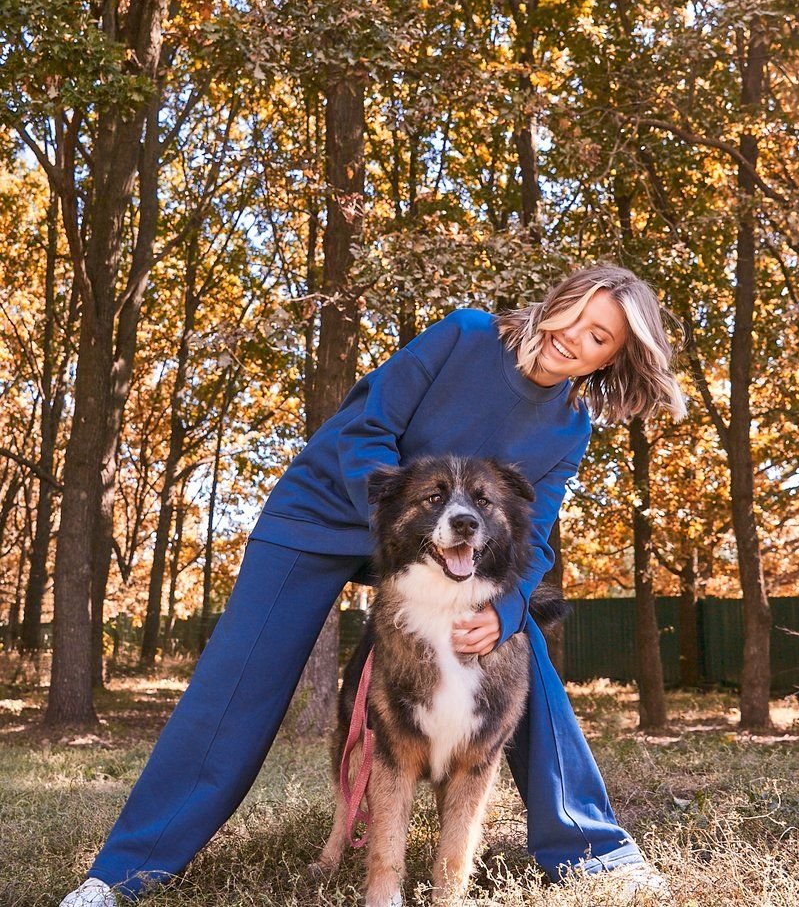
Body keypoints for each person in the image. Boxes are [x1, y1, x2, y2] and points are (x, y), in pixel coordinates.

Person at [60, 262, 685, 906]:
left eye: (599, 336)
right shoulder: (467, 336)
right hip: (327, 514)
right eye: (575, 312)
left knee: (517, 658)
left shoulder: (569, 426)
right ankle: (121, 873)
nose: (574, 336)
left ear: (613, 359)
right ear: (555, 302)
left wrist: (510, 610)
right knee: (239, 681)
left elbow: (531, 535)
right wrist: (394, 528)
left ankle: (594, 850)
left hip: (441, 547)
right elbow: (368, 426)